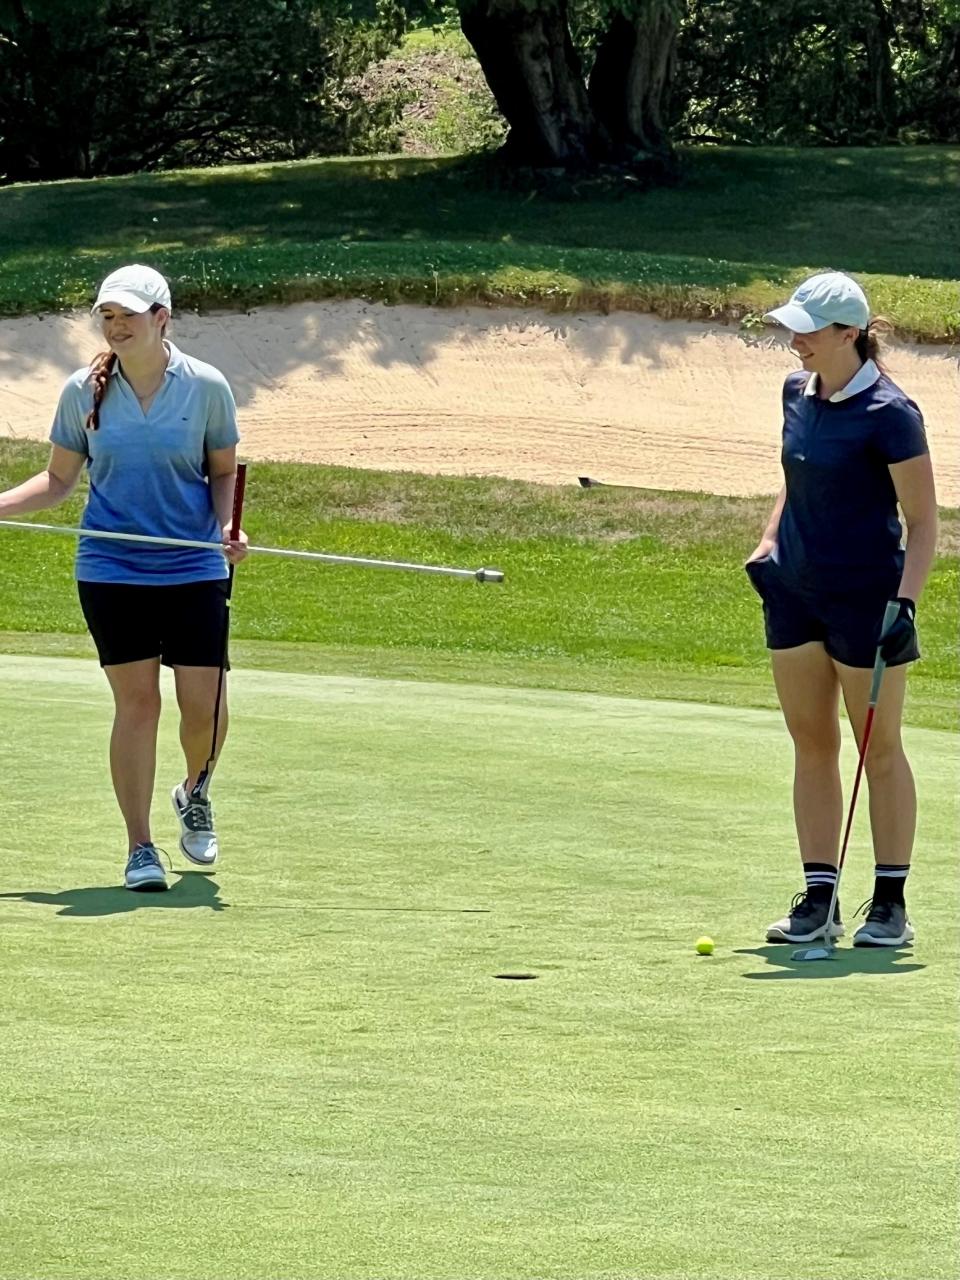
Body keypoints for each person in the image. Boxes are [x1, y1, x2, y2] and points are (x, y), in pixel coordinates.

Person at [0, 264, 247, 892]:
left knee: (205, 710)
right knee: (137, 704)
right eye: (107, 316)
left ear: (163, 318)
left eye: (129, 316)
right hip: (112, 567)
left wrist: (225, 529)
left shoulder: (207, 387)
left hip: (192, 562)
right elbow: (57, 482)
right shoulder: (83, 389)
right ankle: (140, 847)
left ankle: (194, 790)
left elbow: (223, 471)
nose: (116, 327)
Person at [746, 271, 938, 948]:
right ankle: (818, 900)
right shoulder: (795, 391)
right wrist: (769, 544)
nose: (795, 339)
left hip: (866, 600)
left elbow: (923, 522)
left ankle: (889, 905)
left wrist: (905, 605)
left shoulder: (891, 412)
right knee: (811, 741)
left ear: (848, 334)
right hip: (794, 590)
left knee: (876, 749)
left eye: (808, 329)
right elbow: (793, 478)